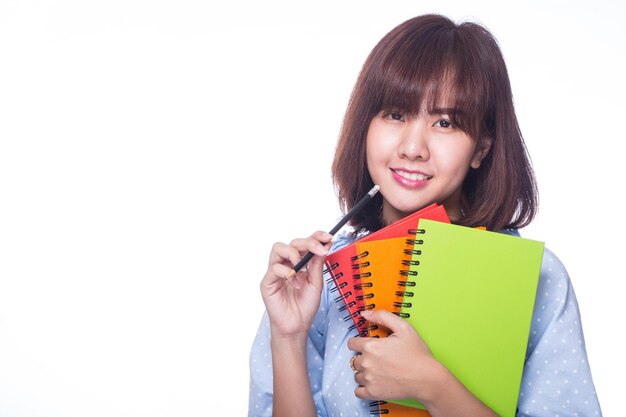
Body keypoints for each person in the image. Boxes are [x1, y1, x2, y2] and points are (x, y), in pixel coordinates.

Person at [248, 14, 602, 417]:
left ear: (482, 149)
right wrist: (288, 337)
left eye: (445, 122)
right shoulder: (317, 280)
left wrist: (431, 385)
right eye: (395, 114)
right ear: (366, 126)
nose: (413, 147)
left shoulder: (538, 277)